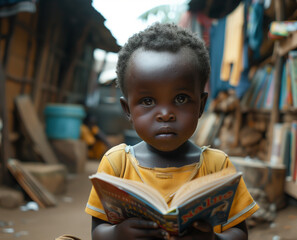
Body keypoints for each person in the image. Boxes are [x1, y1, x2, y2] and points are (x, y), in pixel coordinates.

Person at [85, 22, 259, 240]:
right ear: (127, 110)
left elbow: (240, 234)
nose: (165, 114)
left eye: (181, 99)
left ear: (201, 106)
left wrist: (213, 239)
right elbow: (97, 232)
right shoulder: (116, 163)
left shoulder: (217, 166)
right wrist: (118, 234)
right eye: (147, 101)